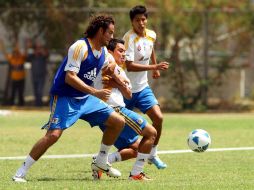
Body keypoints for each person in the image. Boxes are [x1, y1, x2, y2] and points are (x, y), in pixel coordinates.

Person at [12, 15, 126, 183]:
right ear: (101, 31)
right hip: (65, 97)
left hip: (86, 98)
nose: (111, 37)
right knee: (53, 135)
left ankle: (101, 161)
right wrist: (96, 92)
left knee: (118, 122)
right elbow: (70, 78)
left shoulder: (103, 53)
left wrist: (117, 76)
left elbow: (109, 67)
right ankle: (20, 172)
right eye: (109, 33)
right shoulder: (80, 47)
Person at [92, 38, 157, 180]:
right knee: (151, 133)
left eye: (125, 52)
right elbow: (109, 76)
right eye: (120, 51)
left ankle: (102, 161)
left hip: (112, 113)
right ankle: (136, 174)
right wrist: (120, 83)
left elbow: (128, 94)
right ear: (110, 52)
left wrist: (117, 83)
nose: (124, 55)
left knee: (136, 149)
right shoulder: (105, 65)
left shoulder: (119, 70)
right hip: (114, 110)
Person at [123, 5, 169, 169]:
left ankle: (153, 154)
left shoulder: (151, 35)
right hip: (125, 90)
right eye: (137, 20)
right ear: (132, 22)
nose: (141, 23)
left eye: (143, 19)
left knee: (158, 118)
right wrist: (153, 68)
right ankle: (103, 157)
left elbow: (151, 49)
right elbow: (129, 66)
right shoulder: (129, 38)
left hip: (142, 88)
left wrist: (155, 65)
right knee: (117, 126)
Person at [0, 40, 26, 106]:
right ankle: (12, 105)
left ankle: (21, 106)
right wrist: (1, 45)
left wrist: (23, 45)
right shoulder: (11, 59)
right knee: (13, 93)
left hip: (21, 79)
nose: (16, 54)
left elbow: (25, 52)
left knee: (20, 94)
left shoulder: (21, 58)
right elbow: (5, 53)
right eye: (15, 53)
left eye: (17, 53)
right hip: (14, 79)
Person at [27, 41, 49, 106]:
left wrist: (41, 49)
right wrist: (28, 47)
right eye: (36, 48)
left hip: (41, 76)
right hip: (34, 76)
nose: (38, 50)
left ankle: (39, 104)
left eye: (39, 48)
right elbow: (26, 58)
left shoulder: (43, 56)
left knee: (40, 91)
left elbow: (46, 55)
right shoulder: (32, 56)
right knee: (36, 91)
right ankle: (37, 104)